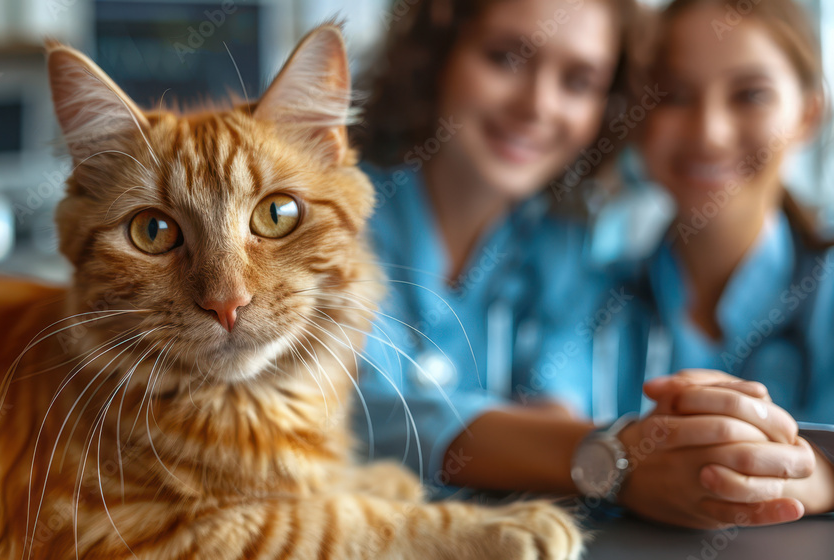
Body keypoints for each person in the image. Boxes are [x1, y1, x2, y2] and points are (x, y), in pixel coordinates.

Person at [351, 0, 834, 529]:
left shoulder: (561, 250)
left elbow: (559, 411)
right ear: (438, 55)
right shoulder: (323, 217)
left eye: (580, 81)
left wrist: (801, 470)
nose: (536, 105)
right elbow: (350, 418)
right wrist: (614, 455)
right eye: (505, 58)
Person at [619, 0, 834, 525]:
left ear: (808, 114)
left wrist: (825, 475)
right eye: (673, 96)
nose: (709, 132)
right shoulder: (590, 295)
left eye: (750, 94)